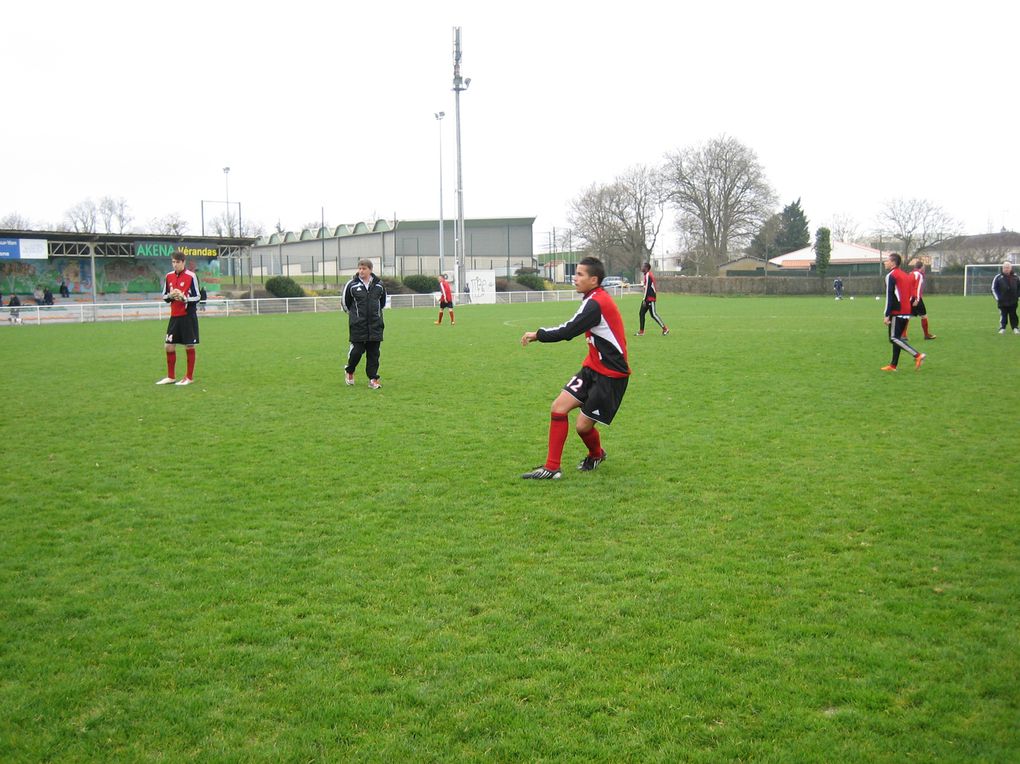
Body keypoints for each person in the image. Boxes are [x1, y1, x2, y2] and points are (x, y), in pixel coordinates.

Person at [519, 256, 631, 479]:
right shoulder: (593, 298)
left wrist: (537, 335)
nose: (575, 278)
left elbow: (568, 331)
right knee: (558, 408)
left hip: (611, 375)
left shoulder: (596, 303)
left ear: (594, 279)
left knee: (582, 427)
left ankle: (596, 453)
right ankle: (552, 468)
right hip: (592, 368)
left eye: (580, 274)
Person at [156, 250, 201, 386]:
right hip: (174, 316)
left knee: (189, 345)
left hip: (188, 316)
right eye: (173, 262)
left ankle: (189, 377)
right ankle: (171, 376)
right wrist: (171, 296)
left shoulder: (191, 276)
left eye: (177, 262)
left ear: (183, 262)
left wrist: (184, 298)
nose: (174, 265)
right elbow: (164, 296)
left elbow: (198, 296)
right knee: (168, 346)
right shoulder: (169, 276)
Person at [342, 259, 386, 388]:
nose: (361, 271)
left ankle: (373, 379)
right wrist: (355, 317)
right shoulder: (352, 285)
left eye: (364, 269)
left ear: (370, 270)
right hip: (358, 326)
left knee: (374, 354)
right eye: (359, 268)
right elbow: (345, 304)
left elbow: (382, 304)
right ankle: (349, 370)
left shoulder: (379, 285)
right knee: (357, 351)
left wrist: (375, 316)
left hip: (375, 325)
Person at [881, 253, 925, 372]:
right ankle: (893, 365)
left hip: (897, 311)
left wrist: (886, 314)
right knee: (897, 339)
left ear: (893, 262)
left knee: (893, 338)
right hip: (907, 311)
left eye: (887, 260)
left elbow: (889, 296)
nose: (885, 262)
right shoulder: (905, 275)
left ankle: (917, 355)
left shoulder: (891, 275)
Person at [635, 262, 669, 336]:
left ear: (646, 268)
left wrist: (644, 299)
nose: (642, 268)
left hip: (650, 298)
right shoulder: (646, 275)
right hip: (647, 297)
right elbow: (647, 286)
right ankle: (641, 331)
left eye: (643, 266)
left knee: (653, 314)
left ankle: (665, 329)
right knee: (641, 313)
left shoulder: (648, 275)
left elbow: (647, 288)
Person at [909, 259, 936, 339]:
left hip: (910, 298)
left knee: (907, 317)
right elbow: (917, 288)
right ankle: (926, 335)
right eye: (924, 267)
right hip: (916, 298)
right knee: (924, 316)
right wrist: (917, 299)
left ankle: (903, 335)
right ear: (921, 267)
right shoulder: (919, 275)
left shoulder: (911, 274)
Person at [991, 261, 1019, 334]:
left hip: (1013, 301)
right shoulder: (998, 277)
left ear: (1011, 268)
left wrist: (1018, 296)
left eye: (1008, 267)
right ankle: (1002, 328)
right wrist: (998, 298)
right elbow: (993, 288)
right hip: (1002, 301)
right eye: (1004, 267)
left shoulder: (1016, 277)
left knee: (1013, 314)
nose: (1006, 269)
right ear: (1002, 268)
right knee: (1003, 314)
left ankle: (1015, 328)